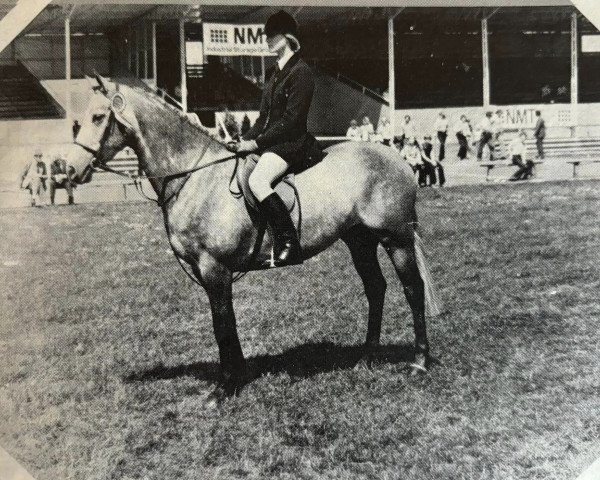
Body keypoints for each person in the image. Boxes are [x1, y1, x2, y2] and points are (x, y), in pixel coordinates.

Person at [231, 10, 323, 268]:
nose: (268, 40)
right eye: (267, 35)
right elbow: (263, 118)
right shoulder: (272, 73)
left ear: (287, 37)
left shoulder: (301, 72)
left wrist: (256, 144)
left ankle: (289, 243)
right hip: (272, 143)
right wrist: (243, 140)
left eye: (273, 35)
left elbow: (292, 121)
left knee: (258, 180)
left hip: (292, 144)